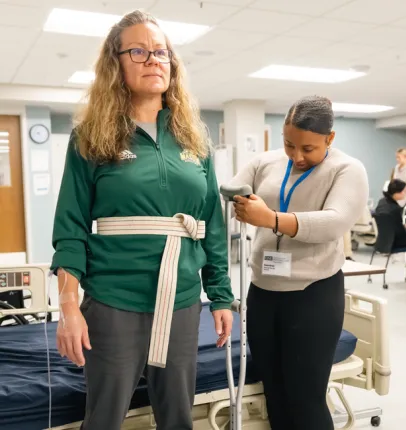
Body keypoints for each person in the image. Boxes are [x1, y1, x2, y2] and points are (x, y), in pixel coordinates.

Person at [50, 10, 234, 430]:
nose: (153, 59)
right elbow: (70, 230)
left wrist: (220, 295)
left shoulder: (194, 140)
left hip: (183, 298)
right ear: (115, 63)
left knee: (178, 417)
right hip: (115, 298)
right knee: (104, 418)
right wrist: (68, 308)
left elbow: (210, 226)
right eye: (138, 51)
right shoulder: (91, 137)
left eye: (161, 51)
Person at [229, 95, 369, 430]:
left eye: (308, 148)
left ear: (330, 139)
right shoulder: (267, 162)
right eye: (290, 144)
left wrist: (270, 218)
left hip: (313, 294)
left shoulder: (348, 169)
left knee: (305, 400)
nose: (298, 156)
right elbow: (231, 186)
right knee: (274, 396)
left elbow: (333, 222)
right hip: (263, 292)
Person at [374, 179, 406, 276]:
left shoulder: (382, 202)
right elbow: (402, 234)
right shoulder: (394, 209)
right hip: (394, 241)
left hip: (383, 240)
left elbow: (393, 226)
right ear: (397, 193)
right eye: (404, 191)